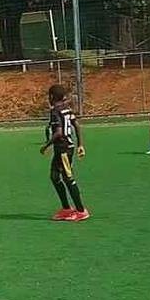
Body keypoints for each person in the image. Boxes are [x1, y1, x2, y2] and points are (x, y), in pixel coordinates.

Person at [40, 84, 89, 222]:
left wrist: (46, 145)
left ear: (51, 97)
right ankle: (66, 208)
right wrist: (80, 144)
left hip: (64, 149)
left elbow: (59, 132)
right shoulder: (66, 109)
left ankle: (81, 210)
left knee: (68, 178)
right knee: (54, 176)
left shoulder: (55, 111)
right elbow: (76, 125)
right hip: (64, 148)